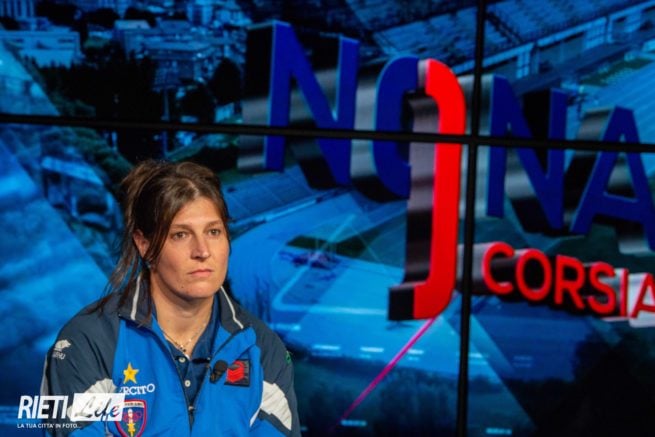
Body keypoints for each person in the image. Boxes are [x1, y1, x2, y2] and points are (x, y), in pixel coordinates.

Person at [41, 160, 300, 436]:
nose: (202, 251)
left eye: (213, 232)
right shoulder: (89, 342)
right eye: (180, 235)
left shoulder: (261, 347)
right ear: (144, 245)